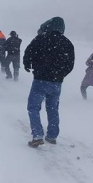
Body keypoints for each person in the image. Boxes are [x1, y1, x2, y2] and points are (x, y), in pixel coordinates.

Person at [23, 17, 75, 147]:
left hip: (40, 79)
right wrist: (60, 74)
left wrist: (28, 65)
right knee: (53, 109)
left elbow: (28, 53)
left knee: (33, 107)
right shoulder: (67, 43)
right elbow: (70, 64)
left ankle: (37, 135)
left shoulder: (41, 39)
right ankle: (52, 136)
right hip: (57, 82)